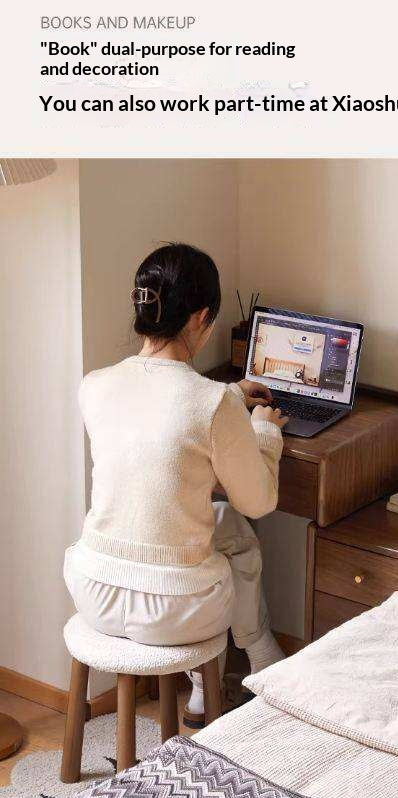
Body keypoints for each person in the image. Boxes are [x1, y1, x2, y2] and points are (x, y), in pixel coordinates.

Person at [64, 242, 289, 727]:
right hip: (173, 609)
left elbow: (158, 410)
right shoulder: (212, 405)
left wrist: (229, 395)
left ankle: (203, 690)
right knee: (239, 529)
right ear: (201, 317)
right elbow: (259, 501)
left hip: (94, 591)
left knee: (218, 523)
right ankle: (255, 658)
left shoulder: (94, 385)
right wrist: (264, 432)